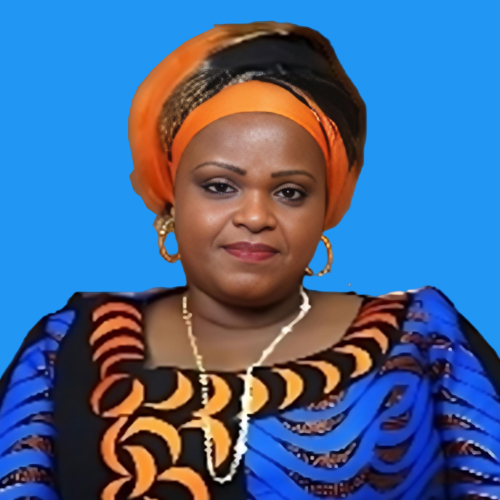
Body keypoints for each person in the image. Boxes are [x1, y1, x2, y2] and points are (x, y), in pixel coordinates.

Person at [0, 20, 499, 500]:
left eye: (290, 192)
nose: (256, 216)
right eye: (220, 186)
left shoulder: (421, 339)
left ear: (328, 206)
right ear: (171, 196)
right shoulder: (68, 347)